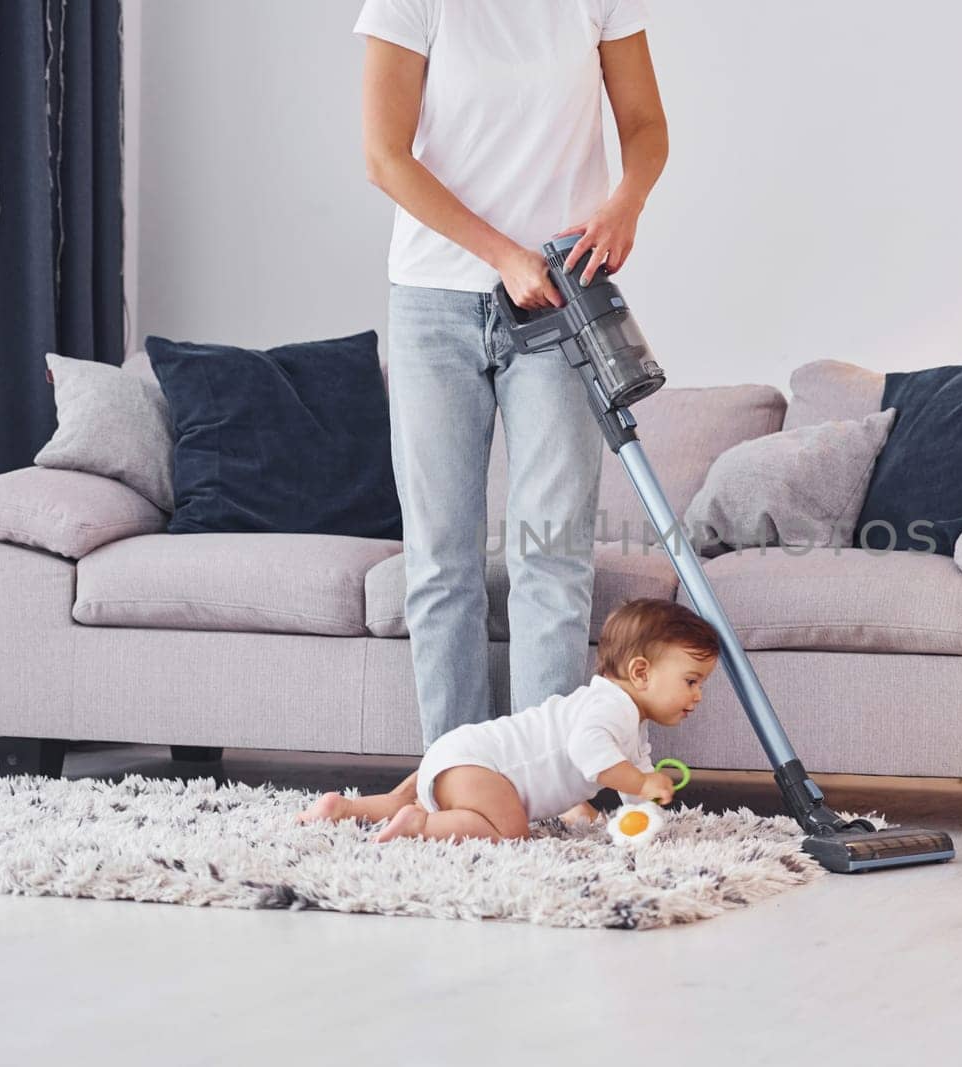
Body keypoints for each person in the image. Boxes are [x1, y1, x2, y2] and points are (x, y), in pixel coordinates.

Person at [352, 1, 669, 745]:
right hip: (435, 302)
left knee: (551, 556)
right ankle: (459, 781)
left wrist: (628, 202)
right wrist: (501, 254)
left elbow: (646, 126)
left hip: (564, 296)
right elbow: (385, 156)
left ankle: (547, 784)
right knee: (440, 562)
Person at [299, 599, 719, 843]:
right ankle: (422, 826)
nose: (697, 695)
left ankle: (344, 808)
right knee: (509, 829)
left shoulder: (624, 717)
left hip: (464, 754)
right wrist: (643, 783)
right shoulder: (610, 709)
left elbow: (634, 768)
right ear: (641, 672)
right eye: (691, 681)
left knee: (409, 798)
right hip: (481, 766)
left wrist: (643, 814)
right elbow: (589, 753)